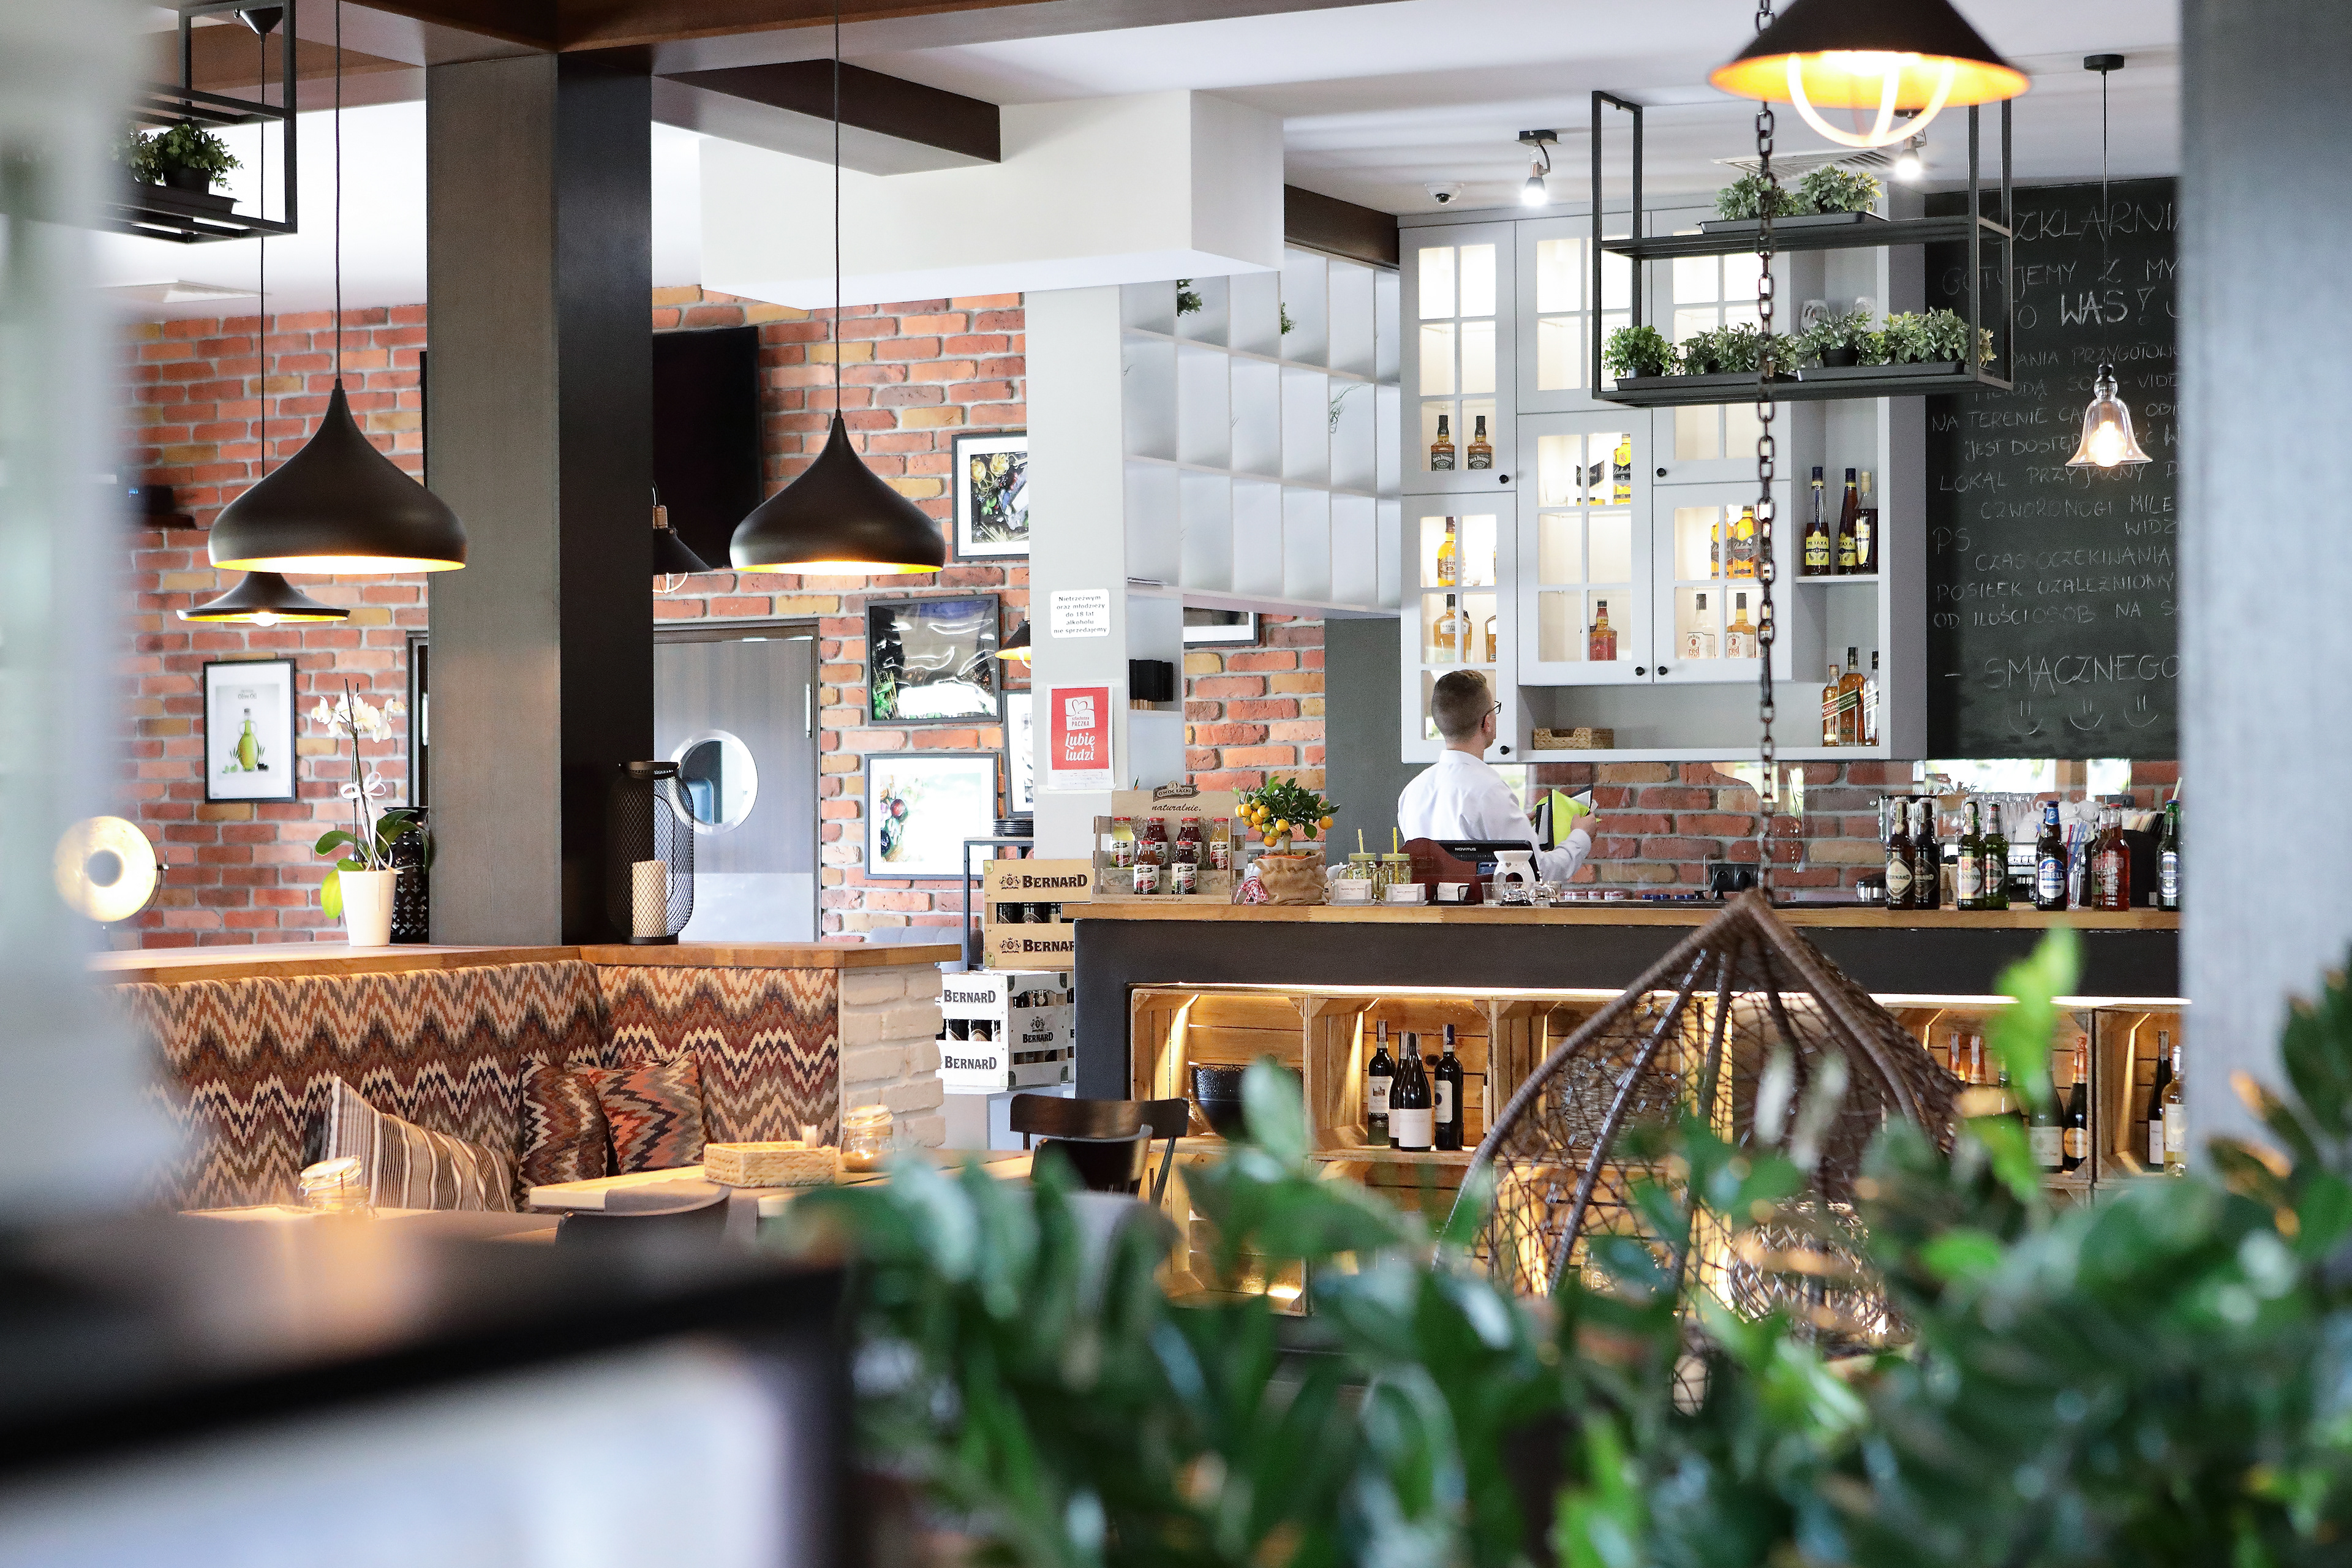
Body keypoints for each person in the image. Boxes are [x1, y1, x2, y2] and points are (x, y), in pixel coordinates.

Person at [1396, 669, 1591, 882]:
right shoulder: (1489, 791)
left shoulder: (1412, 791)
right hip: (1481, 904)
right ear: (1487, 722)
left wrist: (1511, 827)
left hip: (1427, 905)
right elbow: (1538, 871)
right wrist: (1581, 836)